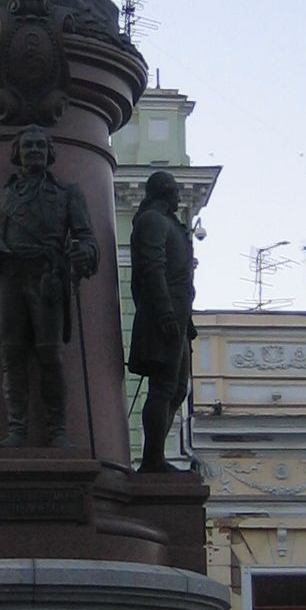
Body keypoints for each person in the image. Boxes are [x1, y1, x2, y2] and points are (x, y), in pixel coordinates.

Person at [0, 126, 98, 448]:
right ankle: (17, 431)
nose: (34, 150)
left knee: (51, 355)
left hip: (47, 276)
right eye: (28, 146)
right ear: (17, 152)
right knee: (12, 356)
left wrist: (84, 252)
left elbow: (87, 237)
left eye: (40, 145)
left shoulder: (67, 193)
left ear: (49, 153)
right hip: (9, 277)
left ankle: (58, 431)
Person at [128, 170, 196, 473]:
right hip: (162, 316)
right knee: (163, 387)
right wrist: (166, 312)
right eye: (175, 191)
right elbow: (152, 269)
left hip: (178, 317)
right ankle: (152, 459)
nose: (179, 196)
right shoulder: (152, 221)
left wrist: (186, 320)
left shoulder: (169, 224)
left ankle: (155, 456)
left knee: (178, 388)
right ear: (165, 192)